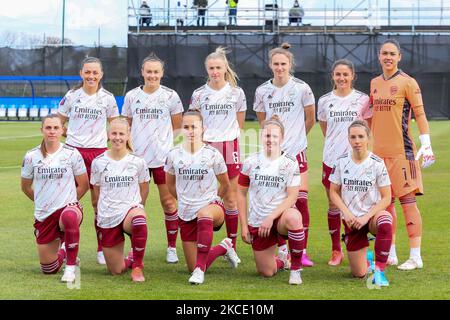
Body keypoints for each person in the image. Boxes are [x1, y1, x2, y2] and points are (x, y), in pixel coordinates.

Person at [369, 39, 435, 270]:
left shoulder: (408, 82)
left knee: (408, 203)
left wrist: (426, 144)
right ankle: (392, 253)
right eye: (384, 53)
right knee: (386, 205)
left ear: (399, 57)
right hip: (377, 155)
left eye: (392, 53)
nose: (388, 57)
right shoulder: (374, 83)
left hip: (402, 153)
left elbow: (420, 114)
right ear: (379, 56)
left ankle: (416, 257)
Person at [253, 42, 315, 267]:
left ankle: (302, 250)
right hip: (273, 156)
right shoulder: (262, 91)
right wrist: (276, 145)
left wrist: (295, 139)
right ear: (270, 65)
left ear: (290, 65)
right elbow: (263, 122)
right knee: (275, 201)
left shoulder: (302, 88)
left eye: (283, 64)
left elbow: (310, 118)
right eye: (276, 64)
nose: (280, 67)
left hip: (297, 152)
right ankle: (281, 251)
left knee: (301, 200)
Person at [164, 111, 240, 285]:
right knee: (191, 265)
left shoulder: (213, 154)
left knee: (204, 214)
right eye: (186, 127)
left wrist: (215, 200)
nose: (190, 131)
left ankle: (199, 272)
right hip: (185, 212)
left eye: (194, 127)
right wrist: (183, 199)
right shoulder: (173, 154)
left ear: (202, 129)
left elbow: (226, 184)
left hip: (212, 209)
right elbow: (170, 185)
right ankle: (224, 247)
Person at [57, 57, 120, 265]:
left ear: (101, 75)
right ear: (81, 73)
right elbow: (58, 122)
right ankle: (65, 243)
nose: (91, 76)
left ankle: (101, 247)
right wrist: (71, 136)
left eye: (95, 73)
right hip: (73, 153)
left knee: (98, 202)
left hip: (99, 154)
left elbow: (116, 126)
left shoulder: (108, 99)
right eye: (87, 72)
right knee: (68, 200)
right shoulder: (72, 96)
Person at [122, 53, 183, 264]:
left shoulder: (171, 96)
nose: (152, 75)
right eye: (149, 71)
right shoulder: (131, 96)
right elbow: (126, 126)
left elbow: (177, 127)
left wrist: (165, 147)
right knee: (137, 204)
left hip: (163, 159)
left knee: (168, 202)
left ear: (162, 73)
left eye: (156, 72)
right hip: (138, 159)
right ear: (142, 72)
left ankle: (171, 247)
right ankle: (134, 249)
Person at [189, 47, 246, 261]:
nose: (215, 72)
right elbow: (194, 123)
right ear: (207, 69)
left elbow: (239, 124)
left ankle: (231, 244)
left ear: (225, 68)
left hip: (229, 147)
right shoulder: (199, 94)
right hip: (206, 148)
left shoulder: (236, 93)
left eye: (218, 68)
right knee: (203, 195)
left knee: (231, 197)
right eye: (211, 68)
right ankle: (202, 239)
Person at [21, 114, 89, 283]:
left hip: (68, 208)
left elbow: (83, 185)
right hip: (44, 214)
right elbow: (26, 187)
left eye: (56, 128)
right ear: (42, 130)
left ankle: (71, 268)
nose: (52, 131)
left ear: (62, 131)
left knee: (69, 217)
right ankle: (65, 249)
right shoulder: (31, 156)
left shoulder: (72, 154)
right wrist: (42, 201)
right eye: (48, 128)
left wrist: (69, 201)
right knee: (48, 269)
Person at [237, 116, 305, 285]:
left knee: (294, 218)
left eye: (275, 136)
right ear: (262, 137)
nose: (270, 140)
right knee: (266, 272)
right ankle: (283, 261)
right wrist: (244, 226)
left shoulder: (290, 163)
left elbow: (292, 196)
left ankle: (296, 270)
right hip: (259, 222)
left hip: (280, 218)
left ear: (282, 138)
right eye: (267, 136)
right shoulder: (250, 161)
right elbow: (240, 193)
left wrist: (271, 217)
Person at [317, 59, 371, 266]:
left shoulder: (362, 99)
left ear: (352, 76)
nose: (341, 78)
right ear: (332, 76)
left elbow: (367, 129)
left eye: (345, 75)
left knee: (355, 205)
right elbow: (325, 129)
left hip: (356, 162)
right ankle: (335, 250)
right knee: (333, 204)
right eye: (338, 74)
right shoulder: (324, 101)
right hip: (331, 161)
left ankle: (355, 246)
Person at [329, 120, 393, 286]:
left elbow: (387, 197)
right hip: (352, 221)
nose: (357, 141)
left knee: (385, 220)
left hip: (371, 218)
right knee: (359, 274)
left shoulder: (377, 163)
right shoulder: (341, 162)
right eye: (353, 137)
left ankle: (379, 271)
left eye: (360, 136)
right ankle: (368, 258)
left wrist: (366, 217)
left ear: (368, 138)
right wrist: (347, 213)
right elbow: (333, 191)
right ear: (348, 139)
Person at [90, 118, 150, 282]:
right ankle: (130, 258)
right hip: (108, 215)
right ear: (108, 135)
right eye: (114, 133)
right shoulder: (98, 162)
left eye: (121, 134)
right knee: (116, 271)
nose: (117, 137)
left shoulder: (138, 162)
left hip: (130, 211)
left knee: (139, 220)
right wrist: (99, 210)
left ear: (128, 135)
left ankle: (137, 266)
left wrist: (139, 207)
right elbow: (96, 191)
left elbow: (144, 188)